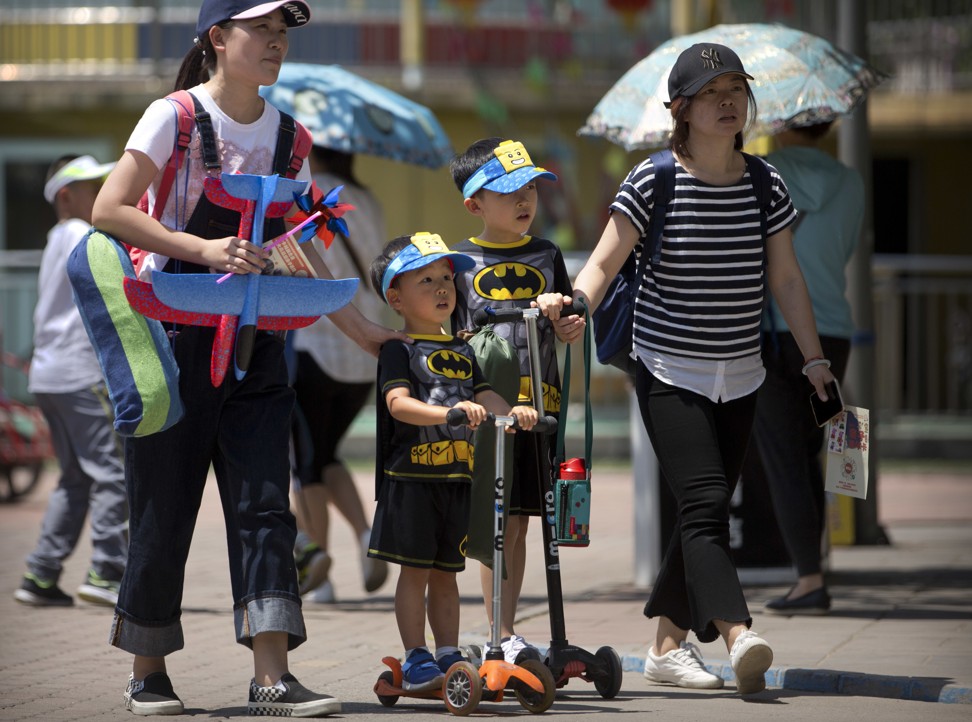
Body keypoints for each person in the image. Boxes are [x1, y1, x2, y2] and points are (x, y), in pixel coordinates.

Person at [90, 0, 405, 716]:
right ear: (218, 38)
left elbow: (301, 240)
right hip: (172, 344)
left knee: (267, 507)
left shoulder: (292, 137)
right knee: (163, 508)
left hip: (259, 345)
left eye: (281, 32)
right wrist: (202, 250)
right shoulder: (173, 117)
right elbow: (109, 208)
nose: (274, 43)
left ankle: (271, 678)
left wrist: (360, 328)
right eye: (259, 29)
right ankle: (148, 673)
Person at [537, 43, 837, 695]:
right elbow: (605, 260)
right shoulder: (654, 179)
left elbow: (786, 278)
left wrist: (813, 358)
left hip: (744, 372)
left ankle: (667, 646)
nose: (728, 101)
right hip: (669, 370)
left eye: (736, 88)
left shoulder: (765, 182)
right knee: (704, 505)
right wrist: (576, 305)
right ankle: (737, 632)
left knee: (698, 510)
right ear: (680, 109)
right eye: (711, 92)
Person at [366, 232, 539, 690]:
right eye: (427, 280)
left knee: (448, 573)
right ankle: (416, 655)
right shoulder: (398, 350)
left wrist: (514, 411)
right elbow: (398, 405)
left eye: (446, 277)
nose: (443, 287)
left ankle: (447, 652)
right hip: (411, 479)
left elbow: (486, 396)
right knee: (416, 571)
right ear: (396, 297)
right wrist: (450, 413)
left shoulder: (464, 349)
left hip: (455, 479)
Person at [448, 138, 581, 663]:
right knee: (494, 519)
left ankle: (508, 631)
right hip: (488, 416)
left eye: (530, 188)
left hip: (540, 411)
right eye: (509, 192)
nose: (525, 200)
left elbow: (570, 326)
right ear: (475, 204)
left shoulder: (548, 255)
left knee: (525, 519)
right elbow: (447, 334)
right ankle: (497, 635)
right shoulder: (457, 264)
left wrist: (565, 319)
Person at [756, 122, 864, 615]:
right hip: (834, 331)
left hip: (781, 332)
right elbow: (845, 249)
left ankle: (809, 577)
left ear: (780, 125)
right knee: (816, 448)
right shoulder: (851, 180)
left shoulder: (764, 174)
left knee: (785, 458)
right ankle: (815, 565)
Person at [14, 154, 128, 609]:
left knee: (75, 478)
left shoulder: (58, 236)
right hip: (80, 372)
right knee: (112, 473)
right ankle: (108, 570)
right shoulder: (85, 234)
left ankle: (41, 574)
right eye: (93, 186)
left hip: (50, 373)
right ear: (66, 196)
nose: (103, 192)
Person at [290, 147, 390, 603]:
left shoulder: (306, 196)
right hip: (365, 350)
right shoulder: (369, 200)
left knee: (305, 463)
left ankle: (320, 575)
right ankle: (367, 534)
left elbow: (296, 259)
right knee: (327, 453)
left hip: (318, 343)